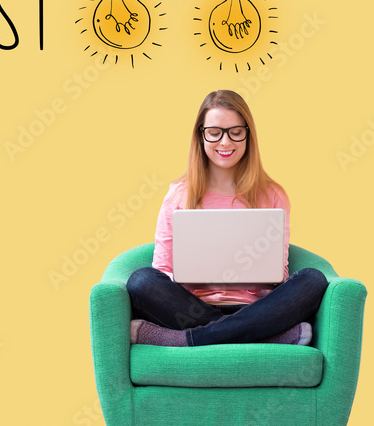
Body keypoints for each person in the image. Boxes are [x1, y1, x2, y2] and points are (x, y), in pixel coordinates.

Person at [125, 90, 328, 347]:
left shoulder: (273, 194)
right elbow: (162, 269)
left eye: (235, 132)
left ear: (248, 135)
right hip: (191, 310)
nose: (225, 142)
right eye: (214, 132)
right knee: (141, 280)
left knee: (313, 279)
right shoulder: (178, 194)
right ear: (201, 135)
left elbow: (280, 272)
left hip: (257, 308)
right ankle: (269, 337)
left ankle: (185, 340)